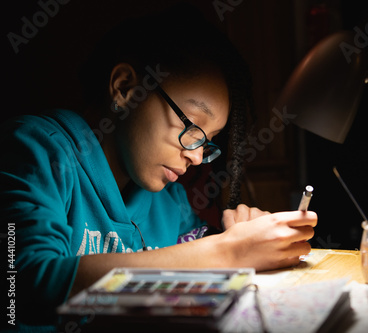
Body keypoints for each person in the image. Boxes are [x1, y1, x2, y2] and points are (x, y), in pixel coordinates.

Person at [0, 4, 316, 331]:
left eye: (208, 140)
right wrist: (226, 252)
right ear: (125, 88)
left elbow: (192, 264)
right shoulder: (34, 150)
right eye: (192, 126)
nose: (195, 157)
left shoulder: (170, 203)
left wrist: (239, 239)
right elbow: (22, 285)